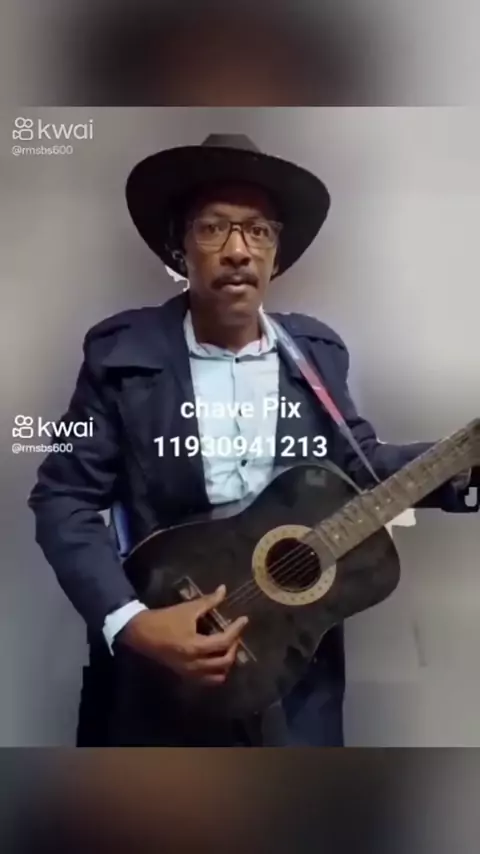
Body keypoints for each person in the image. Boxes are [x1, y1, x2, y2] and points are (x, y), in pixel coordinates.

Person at [28, 134, 479, 747]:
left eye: (258, 231)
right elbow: (63, 500)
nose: (238, 250)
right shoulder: (121, 357)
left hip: (293, 671)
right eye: (214, 228)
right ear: (180, 247)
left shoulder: (317, 355)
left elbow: (360, 469)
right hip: (161, 674)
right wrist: (131, 622)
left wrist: (461, 466)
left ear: (275, 254)